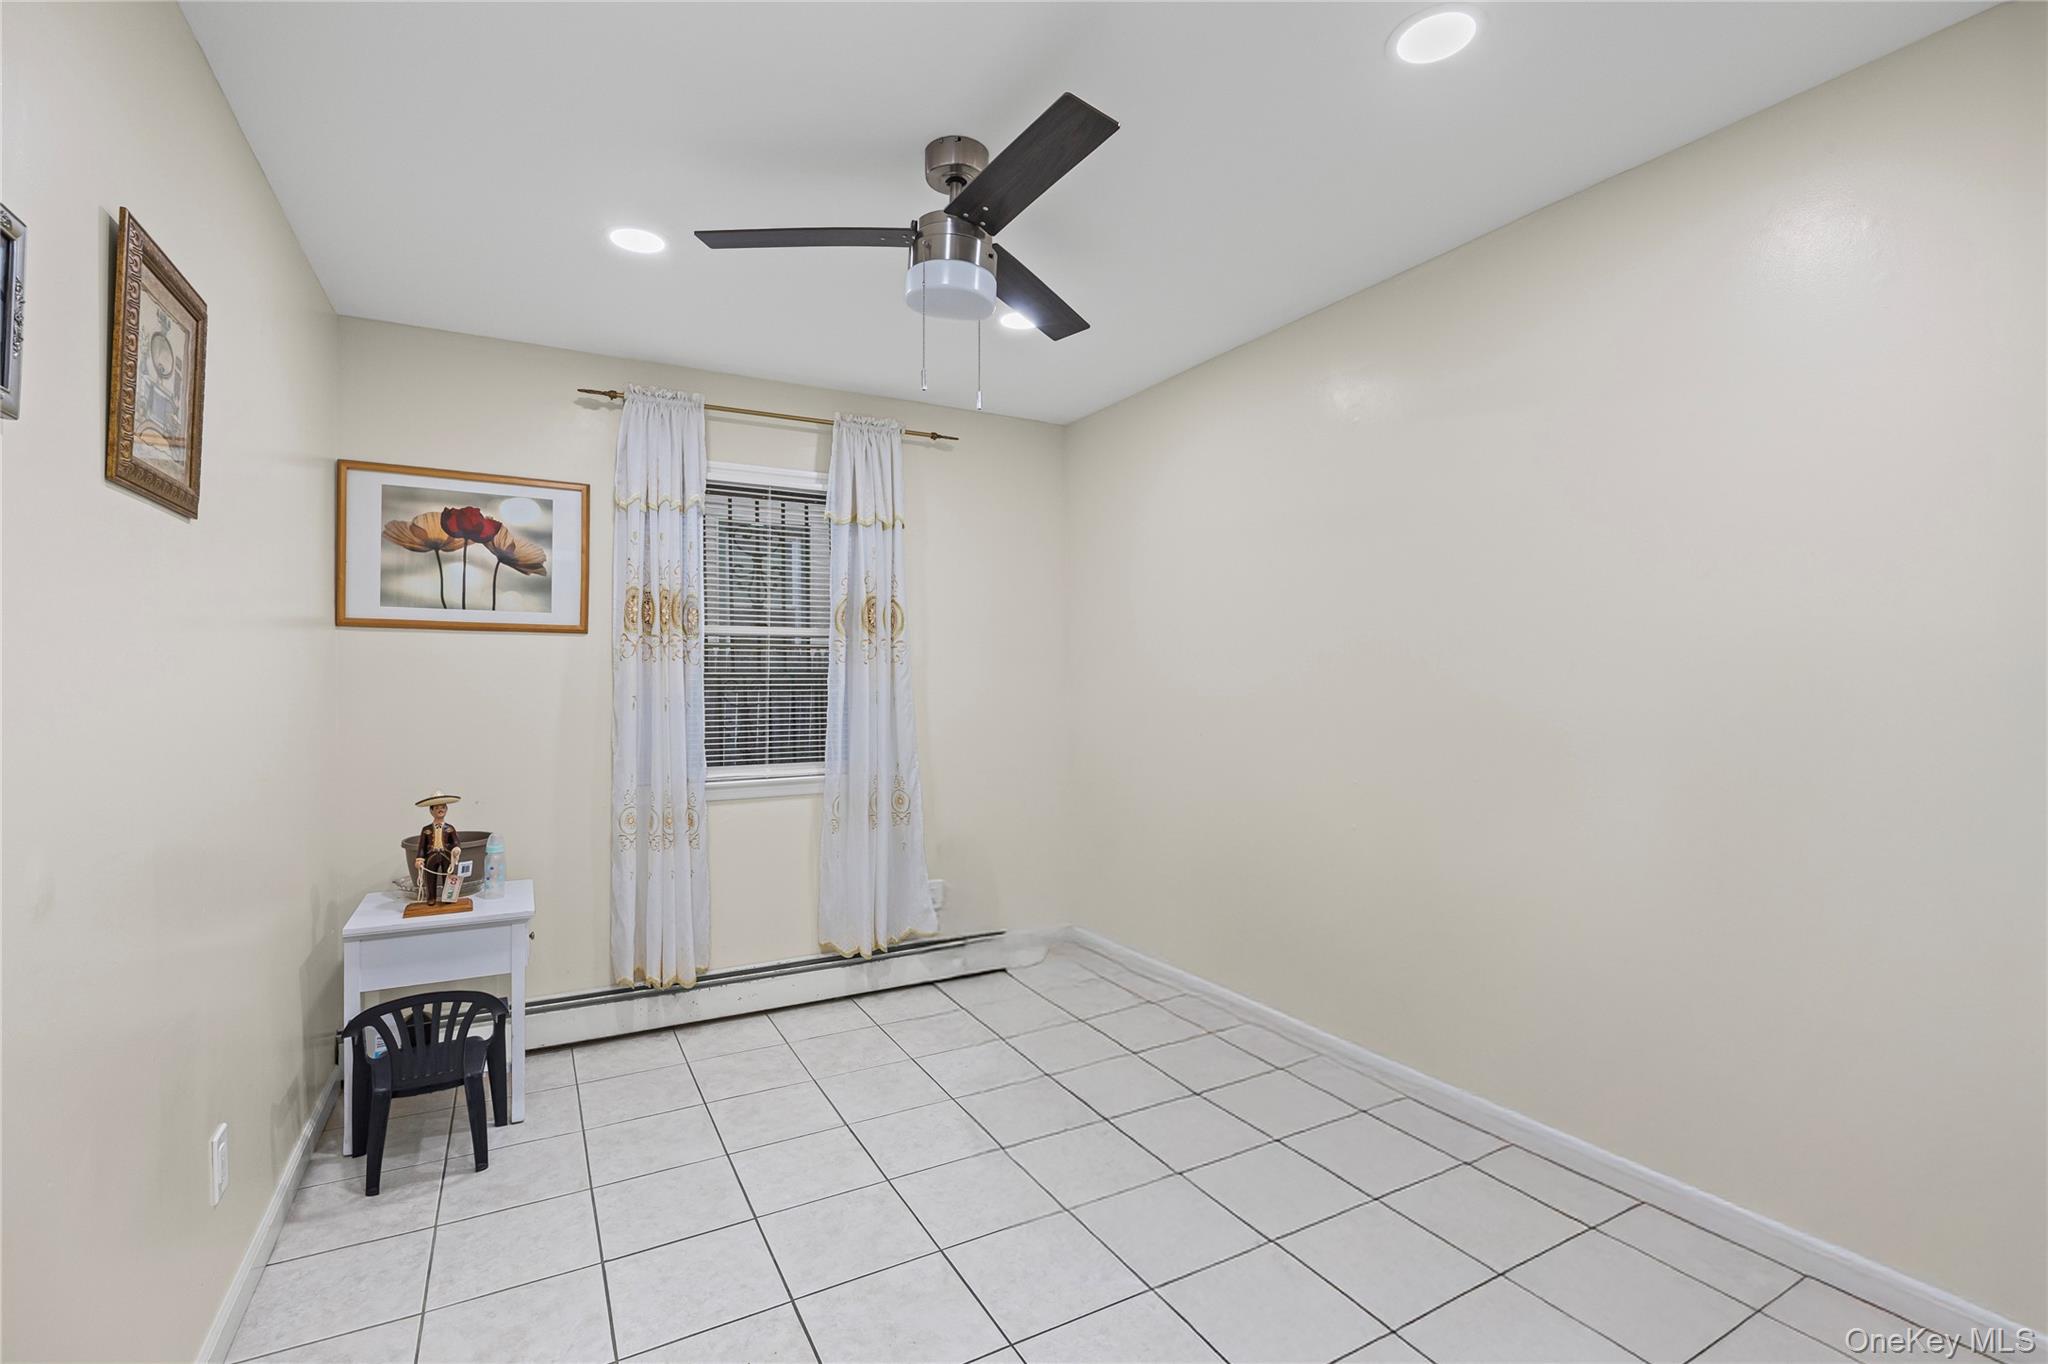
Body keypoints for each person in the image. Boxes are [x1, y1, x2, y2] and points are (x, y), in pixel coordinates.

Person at [413, 791, 463, 903]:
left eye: (443, 807)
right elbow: (422, 846)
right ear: (431, 810)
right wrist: (419, 859)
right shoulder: (426, 829)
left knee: (448, 876)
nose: (440, 810)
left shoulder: (450, 828)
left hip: (446, 855)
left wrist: (456, 849)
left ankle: (448, 897)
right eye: (436, 808)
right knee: (430, 878)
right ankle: (431, 897)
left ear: (446, 809)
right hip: (431, 856)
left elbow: (455, 842)